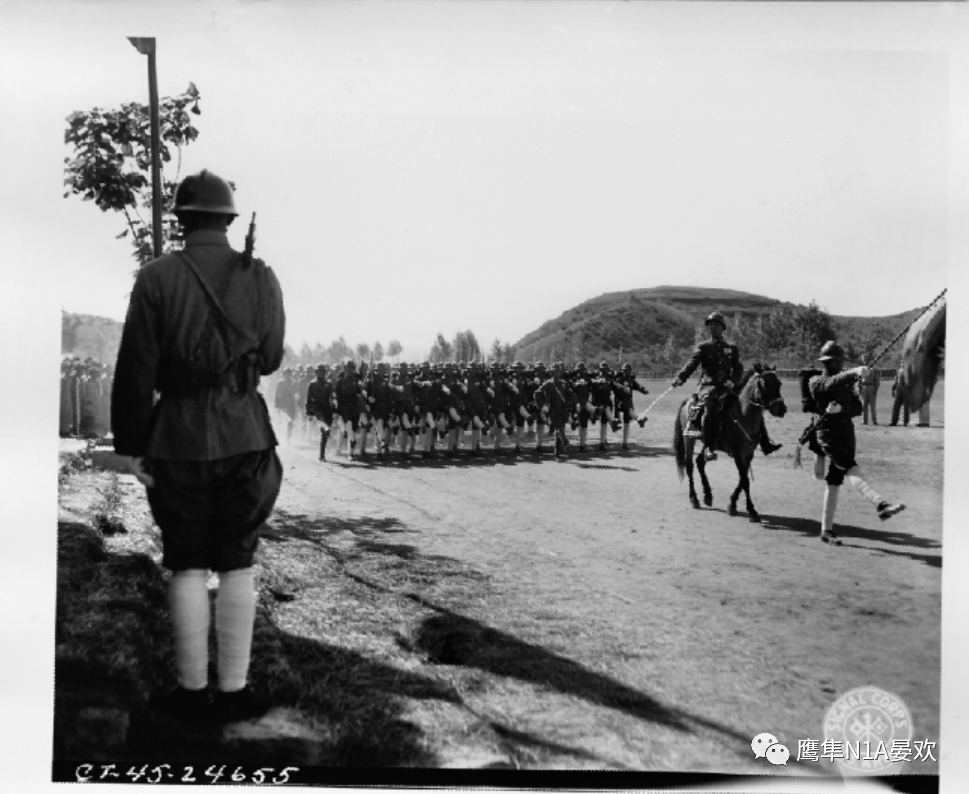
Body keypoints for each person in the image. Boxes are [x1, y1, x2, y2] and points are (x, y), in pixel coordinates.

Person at [111, 169, 286, 723]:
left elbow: (136, 370)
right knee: (237, 563)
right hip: (245, 436)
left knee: (185, 564)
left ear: (181, 220)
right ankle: (234, 693)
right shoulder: (261, 276)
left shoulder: (155, 277)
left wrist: (131, 446)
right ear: (229, 220)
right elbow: (272, 357)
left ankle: (190, 694)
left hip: (177, 437)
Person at [805, 341, 904, 545]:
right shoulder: (815, 381)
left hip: (846, 433)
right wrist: (854, 372)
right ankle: (880, 504)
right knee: (851, 467)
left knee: (834, 480)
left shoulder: (846, 383)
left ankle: (826, 530)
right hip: (828, 434)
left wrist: (842, 409)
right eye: (836, 361)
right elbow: (827, 386)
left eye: (840, 361)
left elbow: (858, 408)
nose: (839, 364)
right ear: (827, 363)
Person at [672, 311, 782, 461]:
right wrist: (680, 377)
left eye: (716, 325)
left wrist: (732, 381)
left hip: (727, 387)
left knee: (750, 409)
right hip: (708, 386)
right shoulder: (703, 347)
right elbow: (691, 365)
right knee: (710, 409)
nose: (713, 327)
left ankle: (765, 442)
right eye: (711, 325)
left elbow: (738, 369)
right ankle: (708, 448)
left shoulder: (731, 347)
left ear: (723, 328)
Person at [859, 355, 880, 425]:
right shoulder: (862, 369)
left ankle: (874, 420)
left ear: (868, 360)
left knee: (872, 405)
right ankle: (864, 420)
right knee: (864, 405)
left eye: (865, 359)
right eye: (863, 360)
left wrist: (875, 390)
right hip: (864, 387)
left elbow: (877, 381)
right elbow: (859, 379)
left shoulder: (874, 369)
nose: (864, 361)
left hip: (871, 386)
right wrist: (859, 389)